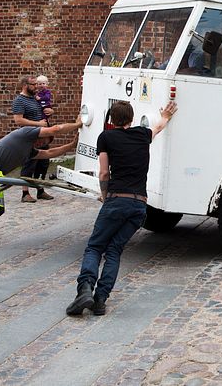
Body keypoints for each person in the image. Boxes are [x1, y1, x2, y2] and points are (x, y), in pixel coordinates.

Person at [66, 100, 177, 317]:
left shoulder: (106, 137)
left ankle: (85, 290)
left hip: (117, 200)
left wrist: (105, 196)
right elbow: (159, 126)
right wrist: (166, 115)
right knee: (115, 250)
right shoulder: (142, 135)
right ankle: (100, 301)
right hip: (139, 205)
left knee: (95, 247)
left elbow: (104, 173)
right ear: (132, 119)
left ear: (111, 119)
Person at [0, 117, 83, 252]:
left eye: (43, 143)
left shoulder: (29, 151)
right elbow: (56, 129)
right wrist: (78, 124)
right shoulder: (26, 133)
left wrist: (71, 146)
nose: (40, 143)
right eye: (42, 139)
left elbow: (49, 153)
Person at [12, 76, 54, 202]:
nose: (36, 87)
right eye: (33, 84)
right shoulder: (19, 100)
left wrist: (50, 111)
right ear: (25, 85)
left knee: (43, 163)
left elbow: (43, 110)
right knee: (29, 164)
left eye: (37, 84)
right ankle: (25, 193)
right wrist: (38, 124)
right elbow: (18, 120)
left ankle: (40, 190)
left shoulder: (35, 98)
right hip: (29, 137)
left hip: (41, 136)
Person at [34, 75, 55, 181]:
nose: (41, 85)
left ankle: (41, 179)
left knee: (45, 154)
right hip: (36, 127)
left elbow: (48, 101)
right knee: (34, 156)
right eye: (39, 83)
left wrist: (51, 111)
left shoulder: (45, 93)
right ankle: (32, 180)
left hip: (44, 124)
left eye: (43, 83)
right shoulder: (34, 95)